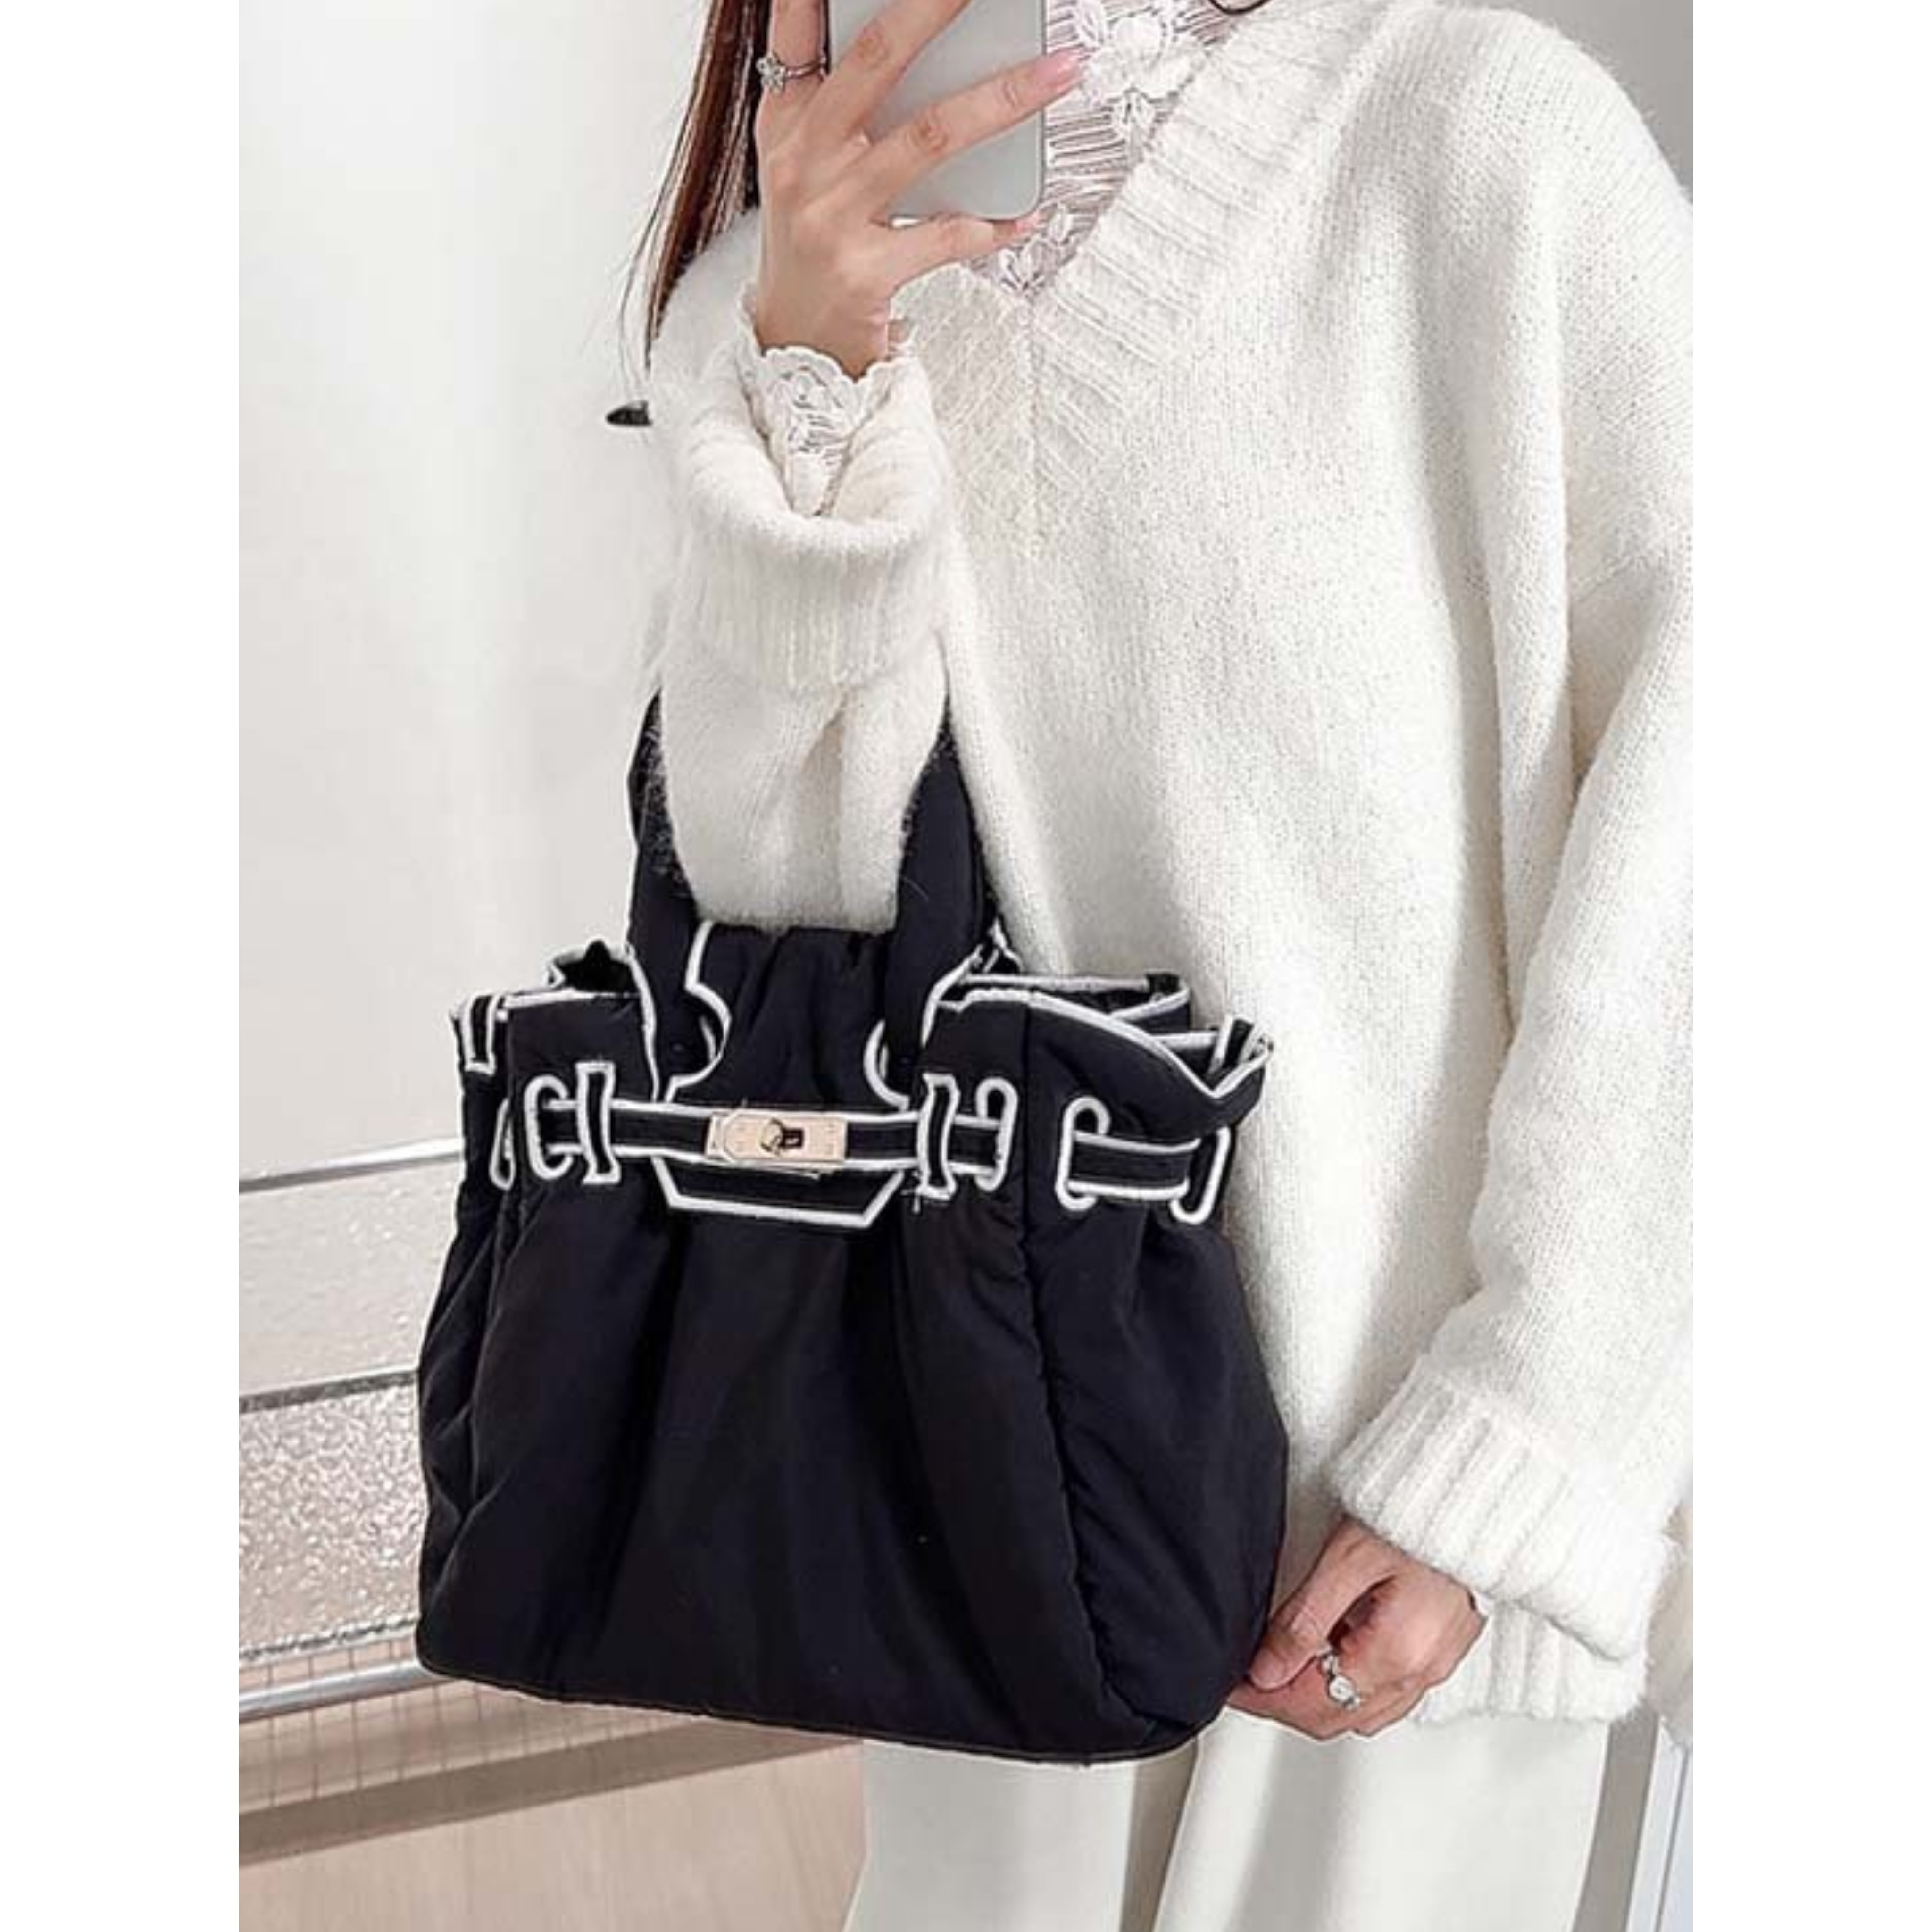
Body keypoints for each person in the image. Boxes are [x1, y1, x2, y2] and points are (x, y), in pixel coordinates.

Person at [628, 0, 1690, 1926]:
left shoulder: (1485, 147)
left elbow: (1708, 838)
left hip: (1389, 1564)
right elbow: (781, 916)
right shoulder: (770, 312)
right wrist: (814, 379)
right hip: (987, 1517)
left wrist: (1524, 1429)